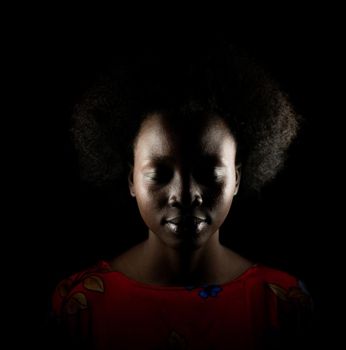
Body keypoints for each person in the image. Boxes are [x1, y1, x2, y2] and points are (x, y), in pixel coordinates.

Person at [50, 41, 313, 350]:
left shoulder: (282, 305)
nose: (185, 195)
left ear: (237, 178)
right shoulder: (80, 306)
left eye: (208, 174)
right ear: (131, 180)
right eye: (159, 174)